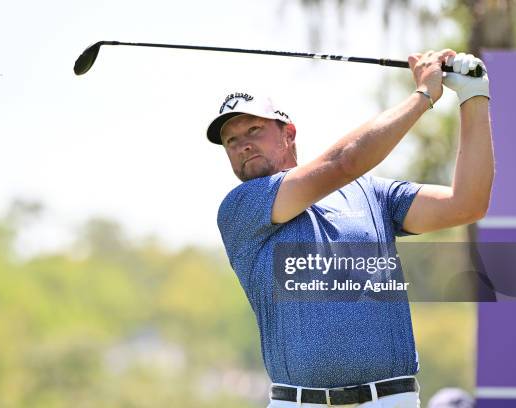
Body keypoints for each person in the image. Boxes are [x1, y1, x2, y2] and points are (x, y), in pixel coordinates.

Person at [207, 50, 493, 408]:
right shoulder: (241, 208)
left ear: (288, 134)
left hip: (390, 400)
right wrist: (422, 97)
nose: (242, 144)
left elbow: (467, 203)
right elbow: (344, 163)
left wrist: (473, 96)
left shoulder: (371, 193)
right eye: (231, 141)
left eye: (253, 129)